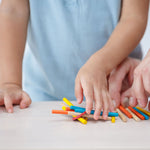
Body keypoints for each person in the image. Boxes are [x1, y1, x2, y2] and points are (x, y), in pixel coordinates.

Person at [0, 0, 149, 120]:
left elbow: (134, 17)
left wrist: (100, 65)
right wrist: (10, 83)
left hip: (119, 95)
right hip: (43, 96)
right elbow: (12, 10)